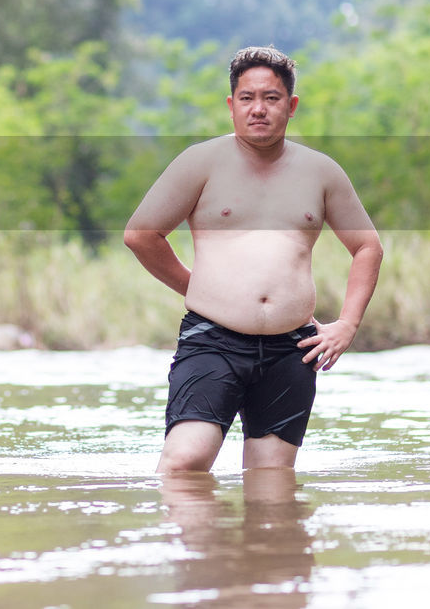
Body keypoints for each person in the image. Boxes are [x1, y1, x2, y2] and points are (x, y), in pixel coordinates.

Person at [124, 46, 383, 473]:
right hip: (213, 340)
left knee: (273, 485)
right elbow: (141, 235)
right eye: (247, 98)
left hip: (292, 349)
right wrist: (198, 287)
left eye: (271, 98)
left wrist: (348, 324)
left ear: (291, 105)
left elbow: (368, 246)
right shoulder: (200, 163)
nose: (258, 109)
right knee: (184, 462)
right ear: (231, 105)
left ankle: (259, 545)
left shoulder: (321, 172)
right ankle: (193, 542)